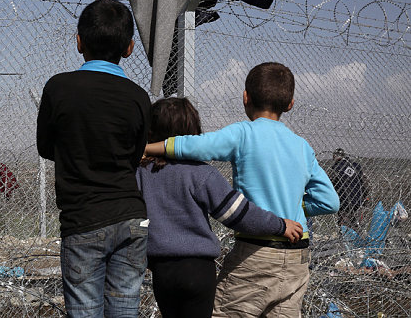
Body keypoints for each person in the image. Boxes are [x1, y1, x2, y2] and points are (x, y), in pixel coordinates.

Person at [145, 62, 340, 317]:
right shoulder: (302, 146)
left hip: (257, 254)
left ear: (245, 98)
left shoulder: (243, 133)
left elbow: (198, 147)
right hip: (297, 259)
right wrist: (294, 203)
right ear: (290, 104)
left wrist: (150, 148)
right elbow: (330, 201)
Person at [137, 97, 304, 318]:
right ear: (192, 132)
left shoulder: (140, 174)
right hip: (197, 269)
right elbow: (239, 215)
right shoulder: (201, 174)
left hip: (160, 269)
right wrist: (279, 224)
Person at [36, 0, 151, 318]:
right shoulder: (139, 97)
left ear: (78, 42)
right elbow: (134, 155)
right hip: (132, 217)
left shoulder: (58, 88)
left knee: (85, 310)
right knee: (125, 308)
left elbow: (46, 147)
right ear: (129, 48)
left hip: (84, 218)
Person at [331, 148, 365, 228]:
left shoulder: (336, 168)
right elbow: (364, 182)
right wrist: (364, 196)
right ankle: (357, 238)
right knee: (357, 225)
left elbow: (330, 184)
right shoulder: (356, 166)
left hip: (344, 201)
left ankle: (344, 239)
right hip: (358, 200)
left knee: (344, 226)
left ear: (335, 156)